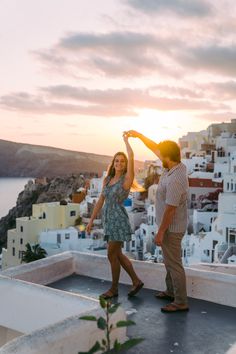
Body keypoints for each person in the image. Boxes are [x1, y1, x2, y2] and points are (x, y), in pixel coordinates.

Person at [126, 130, 189, 313]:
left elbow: (170, 209)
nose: (159, 156)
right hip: (168, 226)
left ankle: (180, 301)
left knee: (174, 264)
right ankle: (171, 291)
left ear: (168, 157)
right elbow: (154, 147)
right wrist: (139, 135)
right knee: (169, 261)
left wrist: (161, 232)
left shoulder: (176, 178)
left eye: (162, 155)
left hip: (172, 227)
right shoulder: (173, 166)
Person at [86, 133, 144, 299]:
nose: (119, 163)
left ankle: (114, 289)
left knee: (111, 254)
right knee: (117, 254)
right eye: (117, 160)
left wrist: (126, 141)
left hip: (118, 219)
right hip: (108, 219)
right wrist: (91, 221)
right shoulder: (108, 178)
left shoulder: (127, 179)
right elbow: (100, 200)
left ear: (126, 165)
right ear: (113, 163)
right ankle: (136, 280)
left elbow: (132, 155)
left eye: (122, 161)